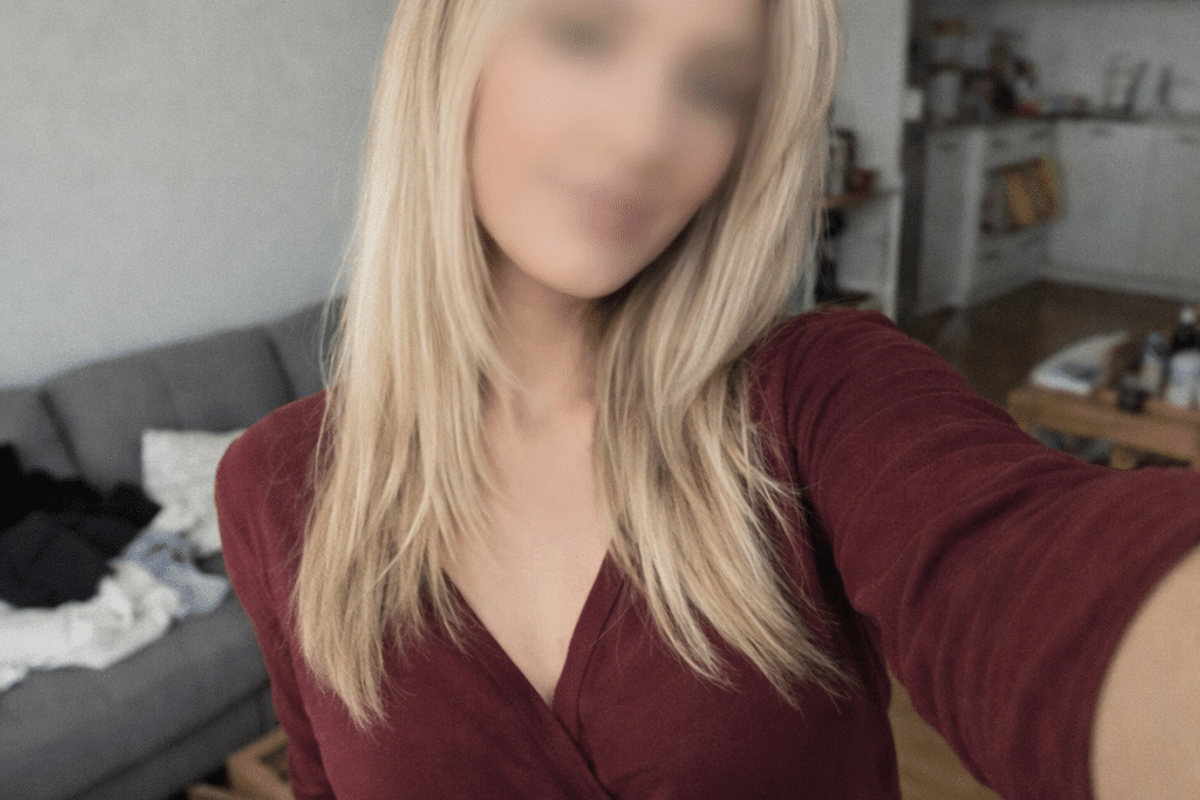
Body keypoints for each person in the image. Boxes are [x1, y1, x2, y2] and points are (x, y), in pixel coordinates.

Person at [215, 0, 1200, 798]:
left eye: (714, 85)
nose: (649, 136)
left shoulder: (814, 396)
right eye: (584, 31)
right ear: (444, 46)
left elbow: (1034, 579)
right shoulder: (272, 484)